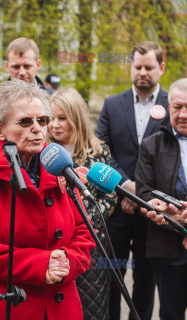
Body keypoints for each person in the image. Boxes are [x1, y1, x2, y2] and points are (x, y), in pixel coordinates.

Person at [0, 79, 95, 319]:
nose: (37, 128)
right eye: (25, 122)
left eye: (42, 120)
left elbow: (84, 233)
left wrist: (66, 263)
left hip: (56, 301)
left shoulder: (59, 168)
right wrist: (39, 264)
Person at [96, 41, 168, 320]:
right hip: (116, 206)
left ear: (161, 68)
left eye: (149, 67)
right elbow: (101, 150)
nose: (142, 72)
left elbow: (172, 154)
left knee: (145, 277)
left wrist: (142, 192)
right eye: (137, 66)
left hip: (153, 208)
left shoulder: (171, 105)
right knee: (112, 274)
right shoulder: (112, 104)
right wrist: (126, 186)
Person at [48, 88, 117, 320]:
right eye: (51, 119)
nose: (55, 125)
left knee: (92, 307)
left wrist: (88, 222)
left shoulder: (98, 151)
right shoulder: (43, 155)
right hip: (55, 245)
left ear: (76, 119)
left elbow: (110, 196)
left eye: (62, 118)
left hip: (91, 242)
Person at [136, 78, 187, 320]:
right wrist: (170, 215)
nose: (183, 114)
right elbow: (144, 192)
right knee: (170, 313)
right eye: (177, 107)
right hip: (168, 248)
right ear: (168, 106)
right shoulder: (151, 145)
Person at [0, 37, 53, 112]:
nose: (22, 72)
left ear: (38, 65)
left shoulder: (53, 99)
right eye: (16, 67)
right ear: (7, 66)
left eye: (27, 66)